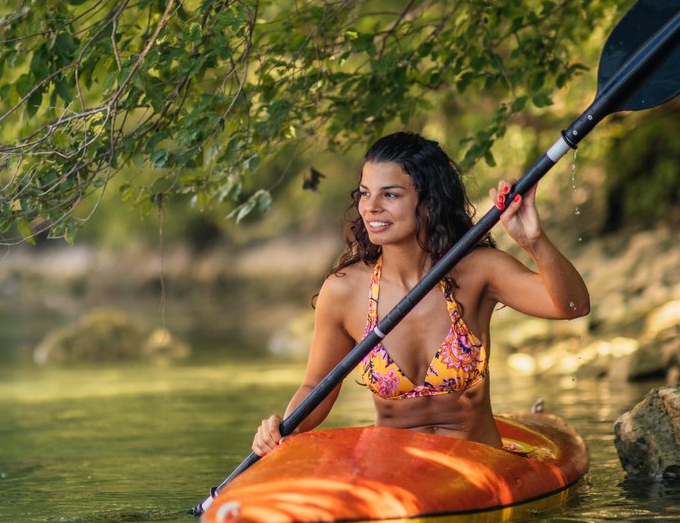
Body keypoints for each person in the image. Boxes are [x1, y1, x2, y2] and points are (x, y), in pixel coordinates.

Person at [252, 131, 589, 455]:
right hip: (398, 470)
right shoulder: (344, 289)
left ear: (428, 202)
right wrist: (285, 427)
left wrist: (533, 241)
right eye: (365, 193)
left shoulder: (477, 270)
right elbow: (315, 389)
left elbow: (572, 306)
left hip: (478, 463)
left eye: (390, 194)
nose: (370, 207)